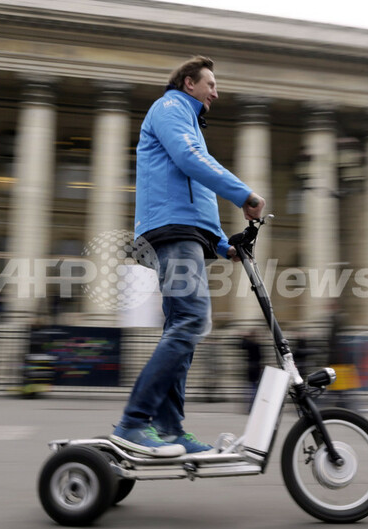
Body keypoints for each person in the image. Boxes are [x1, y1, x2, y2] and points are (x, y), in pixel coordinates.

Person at [110, 56, 266, 457]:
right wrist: (244, 195)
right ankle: (133, 422)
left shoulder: (188, 118)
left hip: (184, 231)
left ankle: (170, 428)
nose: (216, 91)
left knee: (183, 326)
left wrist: (220, 245)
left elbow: (194, 197)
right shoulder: (170, 108)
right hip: (171, 230)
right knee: (192, 319)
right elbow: (189, 160)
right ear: (187, 82)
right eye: (210, 83)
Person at [240, 329, 263, 412]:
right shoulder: (257, 344)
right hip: (257, 367)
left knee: (251, 388)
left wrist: (244, 337)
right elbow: (261, 357)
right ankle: (253, 407)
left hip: (250, 367)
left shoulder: (250, 344)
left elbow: (242, 346)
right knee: (254, 388)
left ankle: (250, 407)